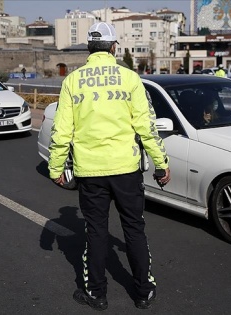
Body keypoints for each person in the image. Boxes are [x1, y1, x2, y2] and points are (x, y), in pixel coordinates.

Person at [48, 21, 170, 311]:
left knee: (96, 232)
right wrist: (161, 163)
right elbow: (146, 126)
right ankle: (143, 292)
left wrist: (55, 168)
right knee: (134, 229)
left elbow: (61, 130)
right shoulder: (129, 78)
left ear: (90, 47)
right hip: (126, 169)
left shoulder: (73, 81)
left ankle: (97, 294)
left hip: (90, 172)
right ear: (114, 47)